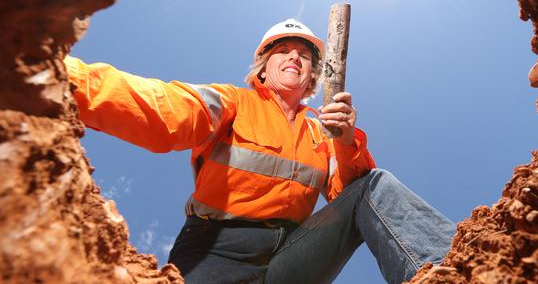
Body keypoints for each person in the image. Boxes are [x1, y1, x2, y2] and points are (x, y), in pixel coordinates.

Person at [64, 18, 455, 284]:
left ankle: (451, 272)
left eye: (303, 55)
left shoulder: (321, 130)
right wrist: (66, 79)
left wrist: (345, 139)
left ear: (312, 79)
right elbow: (162, 108)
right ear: (263, 69)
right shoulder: (233, 101)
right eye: (282, 50)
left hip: (290, 254)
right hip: (215, 249)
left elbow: (348, 192)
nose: (294, 57)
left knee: (375, 186)